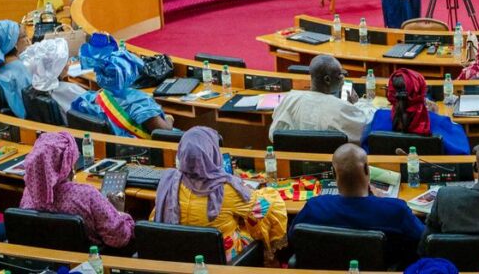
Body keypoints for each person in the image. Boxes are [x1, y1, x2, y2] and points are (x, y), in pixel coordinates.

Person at [153, 127, 287, 261]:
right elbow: (263, 209)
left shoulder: (169, 182)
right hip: (222, 260)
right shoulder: (225, 189)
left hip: (179, 257)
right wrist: (267, 192)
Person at [290, 144, 424, 266]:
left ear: (333, 173)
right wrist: (381, 201)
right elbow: (425, 241)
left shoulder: (314, 207)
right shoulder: (396, 210)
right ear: (367, 169)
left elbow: (293, 238)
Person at [20, 131, 135, 250]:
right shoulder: (87, 195)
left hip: (43, 261)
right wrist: (117, 212)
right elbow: (120, 239)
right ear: (67, 164)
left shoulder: (29, 192)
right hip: (87, 264)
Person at [70, 32, 173, 138]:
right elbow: (164, 133)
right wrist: (169, 118)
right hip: (140, 148)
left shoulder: (92, 97)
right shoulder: (139, 102)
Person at [269, 55, 377, 145]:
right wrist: (359, 104)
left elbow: (273, 135)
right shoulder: (341, 108)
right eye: (340, 74)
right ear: (327, 79)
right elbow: (366, 126)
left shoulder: (290, 99)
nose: (343, 77)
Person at [364, 68, 469, 155]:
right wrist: (436, 116)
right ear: (422, 94)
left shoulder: (379, 117)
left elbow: (368, 149)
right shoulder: (439, 121)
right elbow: (463, 154)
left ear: (390, 95)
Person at [20, 37, 86, 120]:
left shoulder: (33, 89)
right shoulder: (71, 90)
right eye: (65, 61)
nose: (68, 64)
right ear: (57, 67)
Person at [0, 21, 33, 119]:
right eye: (24, 36)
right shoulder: (19, 70)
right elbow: (33, 106)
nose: (28, 40)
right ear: (14, 43)